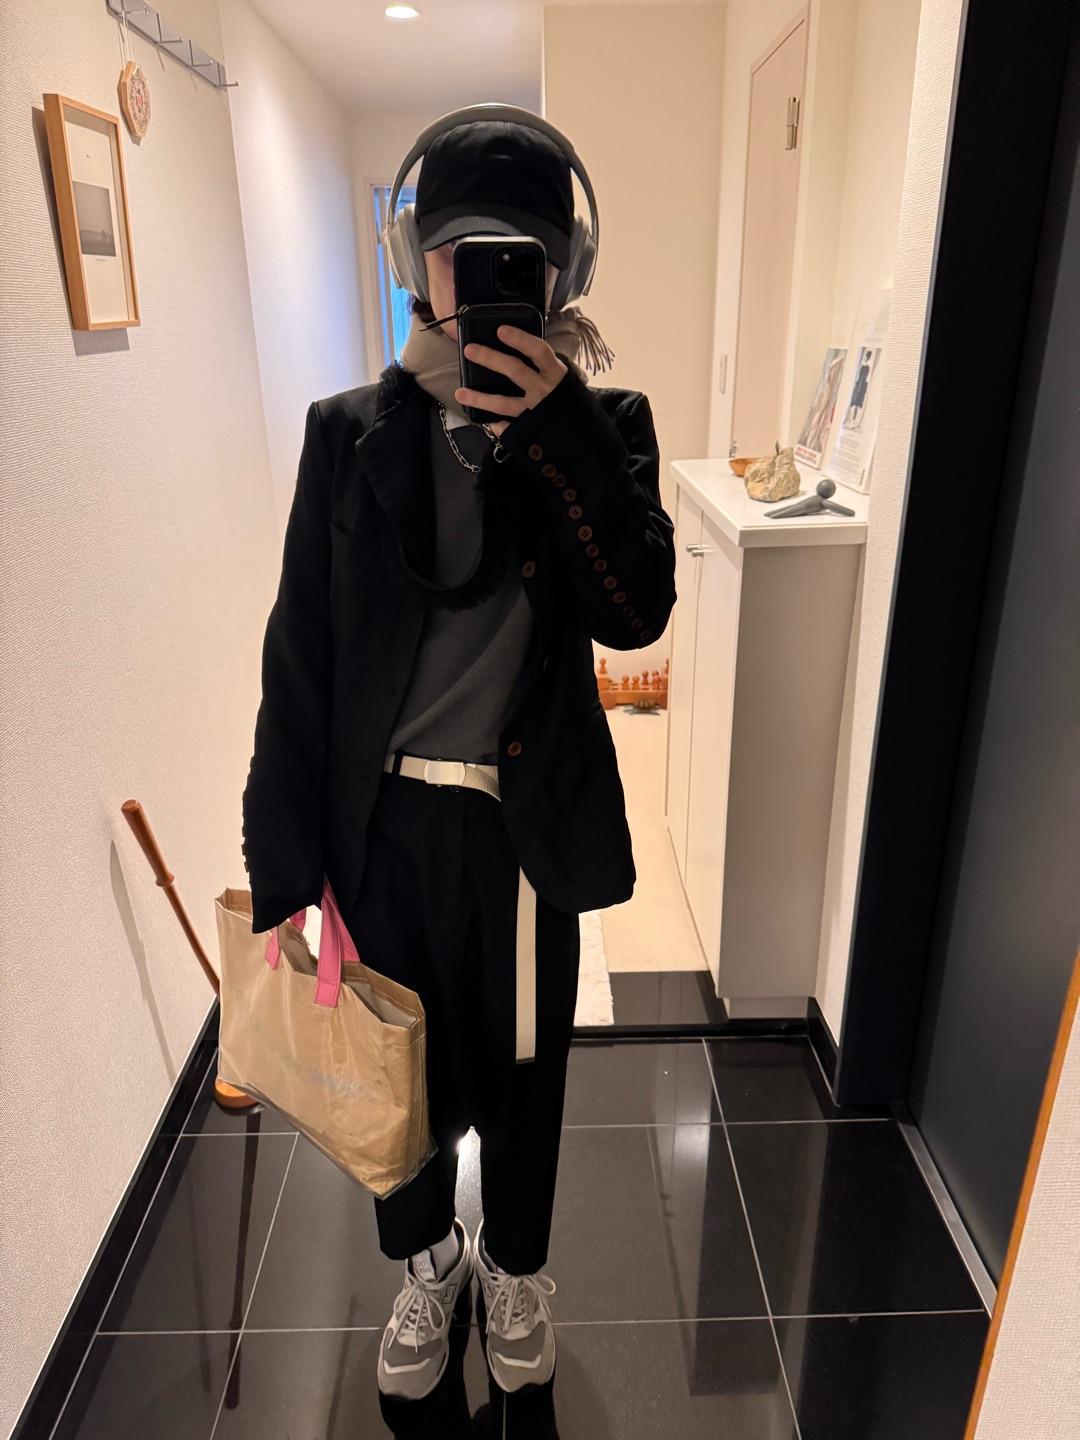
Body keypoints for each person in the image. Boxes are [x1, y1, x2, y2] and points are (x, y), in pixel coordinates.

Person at [240, 110, 677, 1402]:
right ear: (410, 258)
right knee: (395, 1071)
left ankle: (518, 1270)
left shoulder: (608, 425)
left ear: (563, 273)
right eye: (456, 249)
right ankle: (430, 1266)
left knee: (528, 1072)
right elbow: (301, 652)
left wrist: (560, 433)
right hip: (379, 829)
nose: (480, 278)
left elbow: (635, 613)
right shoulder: (345, 431)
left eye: (517, 255)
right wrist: (284, 866)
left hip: (521, 828)